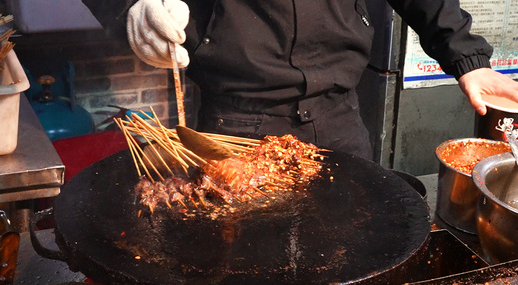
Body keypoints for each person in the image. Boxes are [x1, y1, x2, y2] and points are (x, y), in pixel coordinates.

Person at [83, 0, 518, 160]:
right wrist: (128, 8)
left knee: (351, 257)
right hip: (235, 121)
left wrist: (466, 55)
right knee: (237, 268)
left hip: (342, 116)